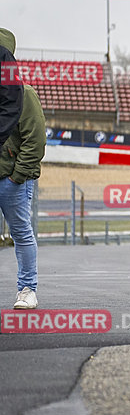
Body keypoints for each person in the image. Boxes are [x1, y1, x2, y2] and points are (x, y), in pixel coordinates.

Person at [0, 29, 46, 309]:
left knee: (20, 233)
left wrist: (18, 175)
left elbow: (36, 138)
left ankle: (27, 289)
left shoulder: (25, 93)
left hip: (12, 179)